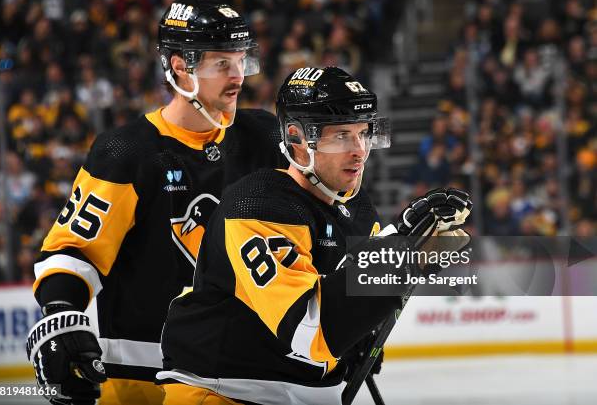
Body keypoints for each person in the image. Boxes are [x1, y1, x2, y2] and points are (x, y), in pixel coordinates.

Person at [156, 67, 472, 405]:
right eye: (341, 136)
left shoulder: (360, 211)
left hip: (308, 394)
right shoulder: (257, 205)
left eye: (364, 134)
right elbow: (308, 331)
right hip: (222, 390)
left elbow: (352, 288)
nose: (359, 151)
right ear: (297, 139)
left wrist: (408, 255)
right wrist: (399, 254)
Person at [26, 0, 286, 405]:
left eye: (241, 61)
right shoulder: (127, 152)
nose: (237, 76)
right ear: (181, 66)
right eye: (222, 64)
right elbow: (74, 251)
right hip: (141, 379)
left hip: (240, 376)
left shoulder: (266, 138)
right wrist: (61, 314)